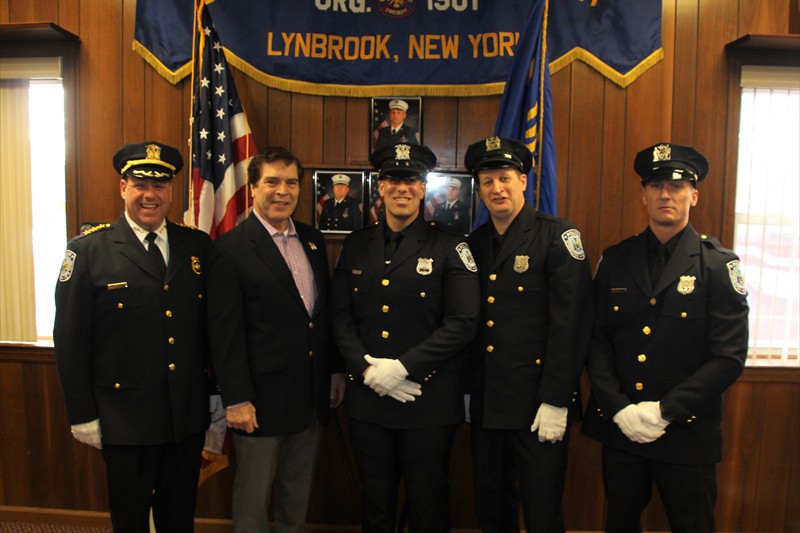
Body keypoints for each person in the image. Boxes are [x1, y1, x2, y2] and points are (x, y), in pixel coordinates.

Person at [582, 142, 749, 532]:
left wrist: (663, 411)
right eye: (656, 186)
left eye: (676, 187)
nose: (665, 195)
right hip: (622, 427)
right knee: (620, 521)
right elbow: (597, 339)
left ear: (694, 194)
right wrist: (618, 408)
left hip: (686, 431)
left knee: (692, 524)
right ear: (643, 195)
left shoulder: (718, 265)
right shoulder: (616, 259)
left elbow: (728, 358)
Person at [53, 141, 211, 532]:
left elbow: (210, 327)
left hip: (184, 417)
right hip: (123, 419)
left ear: (171, 191)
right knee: (130, 520)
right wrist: (81, 413)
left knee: (180, 518)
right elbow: (70, 340)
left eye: (159, 186)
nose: (150, 195)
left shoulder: (197, 246)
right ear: (122, 187)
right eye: (140, 184)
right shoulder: (89, 251)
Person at [330, 143, 480, 532]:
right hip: (369, 400)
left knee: (427, 501)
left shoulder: (451, 245)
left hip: (427, 400)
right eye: (393, 179)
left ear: (423, 186)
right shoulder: (357, 244)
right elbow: (340, 316)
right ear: (380, 187)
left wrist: (402, 368)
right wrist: (366, 369)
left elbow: (463, 322)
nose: (402, 188)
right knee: (375, 500)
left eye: (411, 180)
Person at [206, 146, 345, 533]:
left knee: (296, 494)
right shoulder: (230, 250)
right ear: (252, 187)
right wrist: (236, 398)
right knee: (253, 498)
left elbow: (322, 316)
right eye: (272, 181)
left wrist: (334, 372)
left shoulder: (313, 241)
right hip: (258, 403)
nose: (282, 191)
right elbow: (224, 333)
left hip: (311, 397)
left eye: (290, 182)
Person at [464, 136, 593, 533]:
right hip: (488, 403)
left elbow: (572, 325)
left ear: (523, 180)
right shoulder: (473, 244)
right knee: (492, 509)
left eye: (504, 178)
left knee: (542, 511)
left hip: (539, 407)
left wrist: (556, 399)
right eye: (487, 182)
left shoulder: (557, 236)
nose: (496, 189)